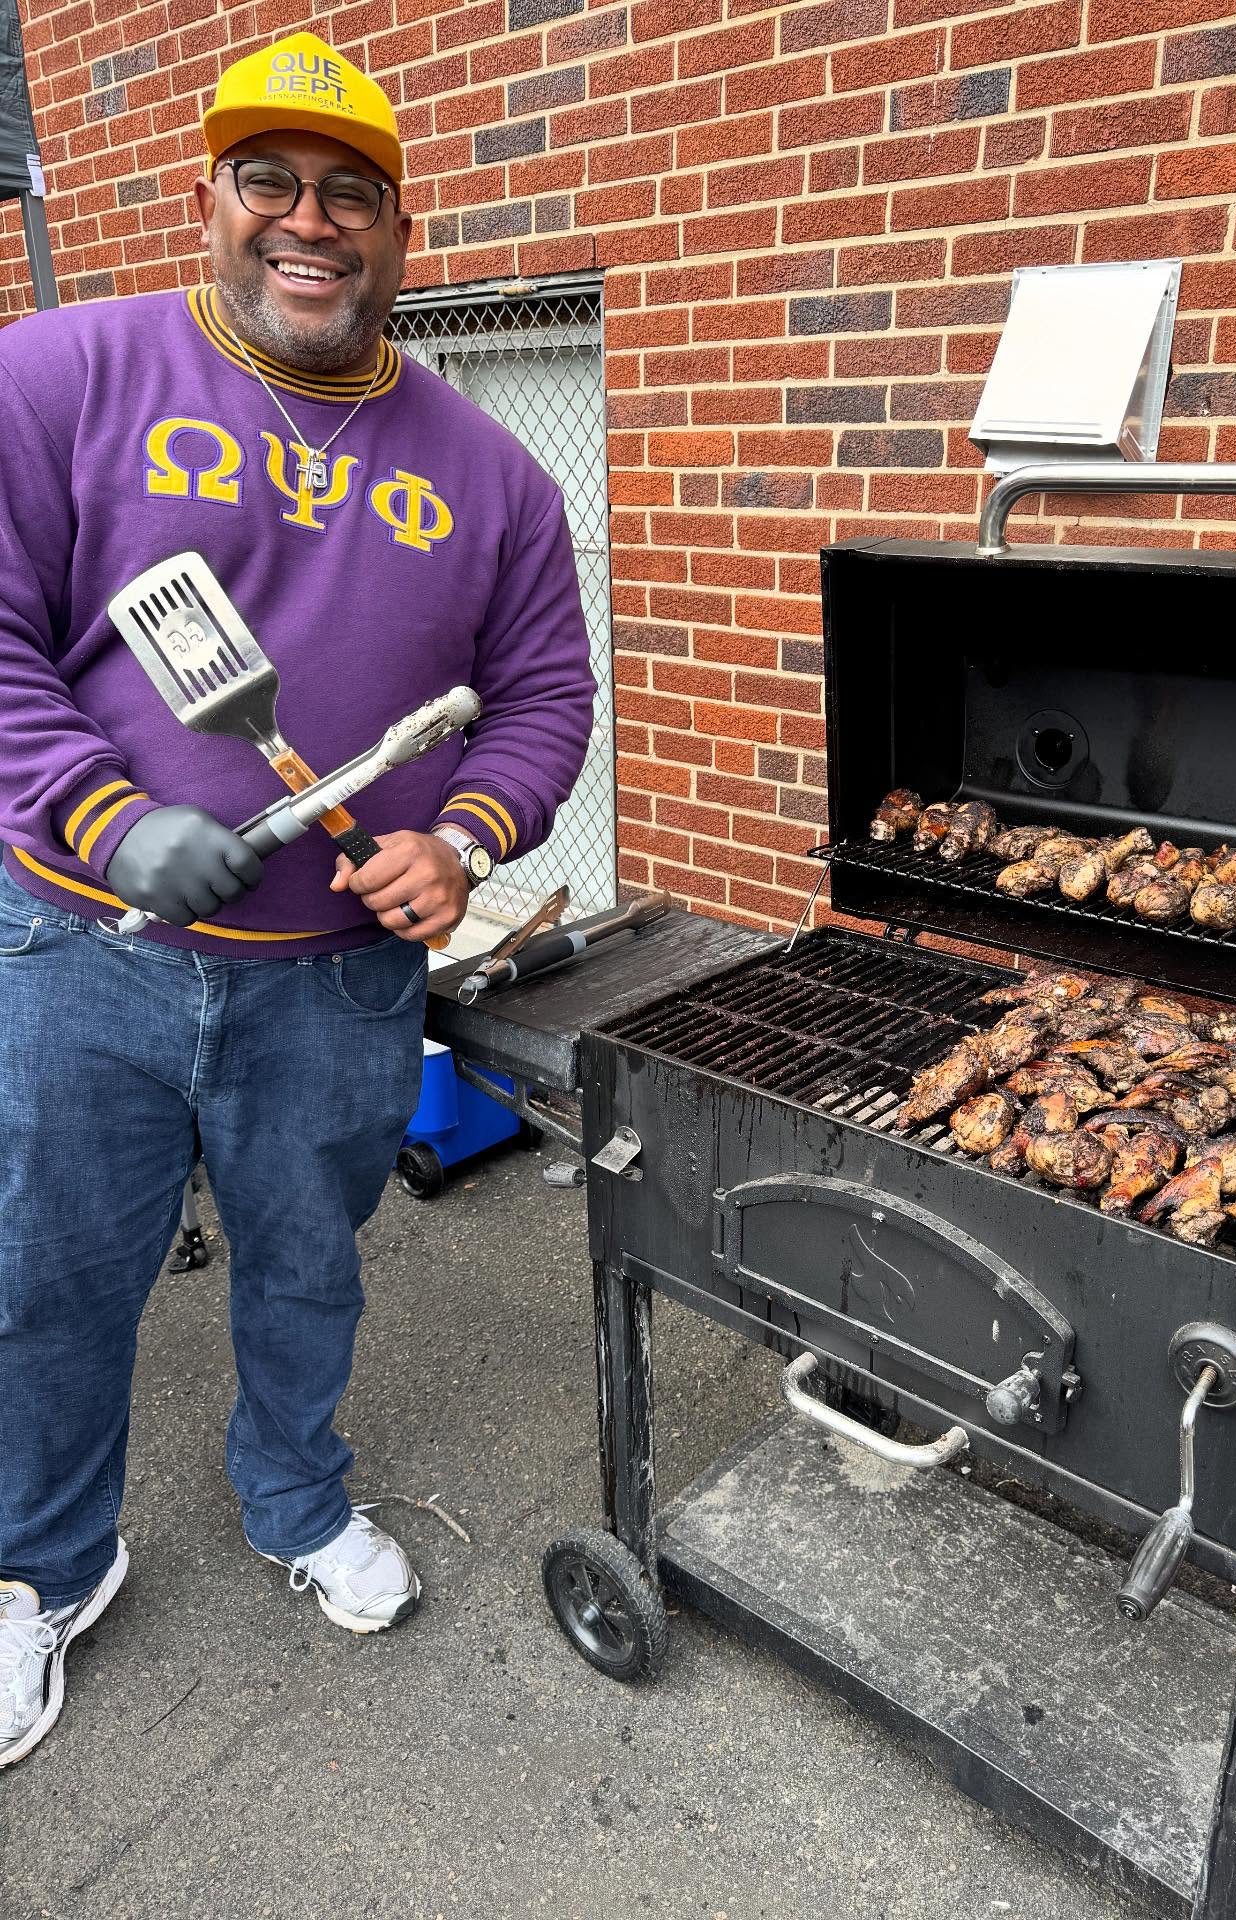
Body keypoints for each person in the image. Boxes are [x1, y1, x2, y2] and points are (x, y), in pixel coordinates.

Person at [0, 32, 594, 1768]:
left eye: (351, 192)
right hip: (77, 949)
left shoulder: (492, 475)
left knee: (306, 1269)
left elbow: (545, 695)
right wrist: (102, 814)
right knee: (50, 1276)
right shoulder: (58, 377)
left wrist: (470, 836)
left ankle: (293, 1501)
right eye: (270, 180)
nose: (307, 220)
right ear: (205, 200)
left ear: (402, 232)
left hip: (332, 982)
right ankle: (42, 1570)